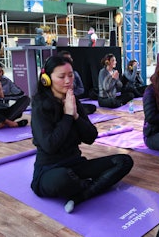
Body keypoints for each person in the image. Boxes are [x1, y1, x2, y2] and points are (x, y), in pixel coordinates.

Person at [30, 55, 133, 213]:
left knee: (124, 161)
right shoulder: (39, 106)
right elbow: (50, 145)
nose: (68, 80)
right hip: (49, 170)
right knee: (62, 178)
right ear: (46, 79)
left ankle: (81, 195)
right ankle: (89, 186)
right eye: (61, 76)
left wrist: (76, 116)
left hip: (76, 165)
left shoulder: (73, 100)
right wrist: (67, 116)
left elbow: (90, 137)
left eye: (70, 75)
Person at [57, 50, 96, 114]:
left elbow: (81, 89)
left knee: (91, 107)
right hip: (62, 103)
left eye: (70, 59)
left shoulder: (75, 73)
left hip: (73, 100)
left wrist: (71, 92)